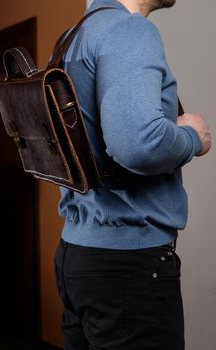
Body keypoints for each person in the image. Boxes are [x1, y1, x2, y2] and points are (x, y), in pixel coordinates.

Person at [54, 0, 212, 349]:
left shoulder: (74, 36)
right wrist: (193, 137)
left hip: (76, 256)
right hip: (126, 267)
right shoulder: (129, 30)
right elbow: (137, 145)